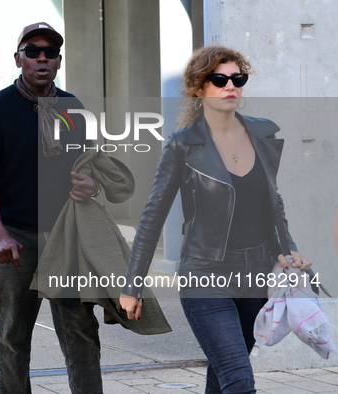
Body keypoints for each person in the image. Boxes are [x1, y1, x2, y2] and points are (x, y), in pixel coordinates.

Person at [120, 45, 313, 394]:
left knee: (223, 376)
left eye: (238, 78)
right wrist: (133, 285)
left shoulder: (263, 134)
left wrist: (289, 248)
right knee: (239, 380)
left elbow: (273, 202)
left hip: (255, 275)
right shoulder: (183, 145)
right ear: (199, 88)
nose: (231, 86)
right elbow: (153, 217)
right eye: (219, 79)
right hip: (204, 275)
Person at [0, 22, 104, 394]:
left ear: (58, 61)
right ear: (18, 58)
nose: (42, 58)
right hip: (15, 240)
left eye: (50, 52)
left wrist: (90, 185)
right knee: (12, 335)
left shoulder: (74, 108)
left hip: (65, 237)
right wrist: (0, 235)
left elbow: (92, 169)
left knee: (81, 333)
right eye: (33, 51)